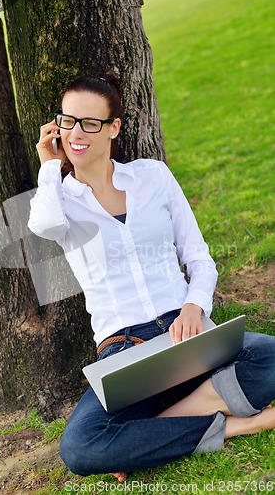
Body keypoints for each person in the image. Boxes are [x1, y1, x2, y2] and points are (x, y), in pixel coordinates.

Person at [28, 72, 275, 482]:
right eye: (67, 121)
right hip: (126, 350)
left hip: (189, 333)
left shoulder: (152, 177)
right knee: (80, 446)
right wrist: (50, 167)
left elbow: (198, 258)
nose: (77, 133)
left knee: (269, 355)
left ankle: (161, 423)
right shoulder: (58, 200)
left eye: (91, 123)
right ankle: (236, 423)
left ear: (114, 128)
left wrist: (194, 308)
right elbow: (45, 225)